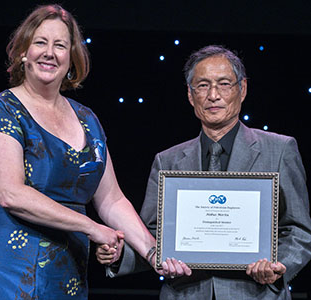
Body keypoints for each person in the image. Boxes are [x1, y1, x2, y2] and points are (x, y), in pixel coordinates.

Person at [0, 4, 191, 299]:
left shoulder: (87, 119)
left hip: (68, 271)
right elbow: (10, 194)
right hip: (10, 269)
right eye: (40, 42)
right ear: (23, 51)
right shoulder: (0, 109)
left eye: (60, 45)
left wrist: (153, 252)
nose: (49, 52)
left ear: (71, 58)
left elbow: (112, 200)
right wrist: (91, 228)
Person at [96, 45, 311, 299]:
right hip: (186, 293)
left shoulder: (280, 149)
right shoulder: (168, 161)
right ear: (190, 95)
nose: (213, 95)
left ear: (242, 90)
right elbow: (155, 239)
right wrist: (120, 255)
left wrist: (279, 267)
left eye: (223, 84)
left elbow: (298, 231)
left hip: (256, 293)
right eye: (202, 85)